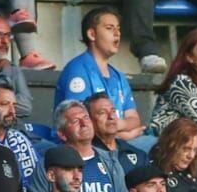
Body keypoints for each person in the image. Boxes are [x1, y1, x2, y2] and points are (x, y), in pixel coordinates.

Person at [56, 8, 145, 145]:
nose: (117, 34)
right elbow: (80, 123)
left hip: (116, 143)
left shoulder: (119, 76)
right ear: (92, 34)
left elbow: (134, 119)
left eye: (118, 29)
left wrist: (114, 130)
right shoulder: (78, 70)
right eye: (110, 28)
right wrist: (124, 135)